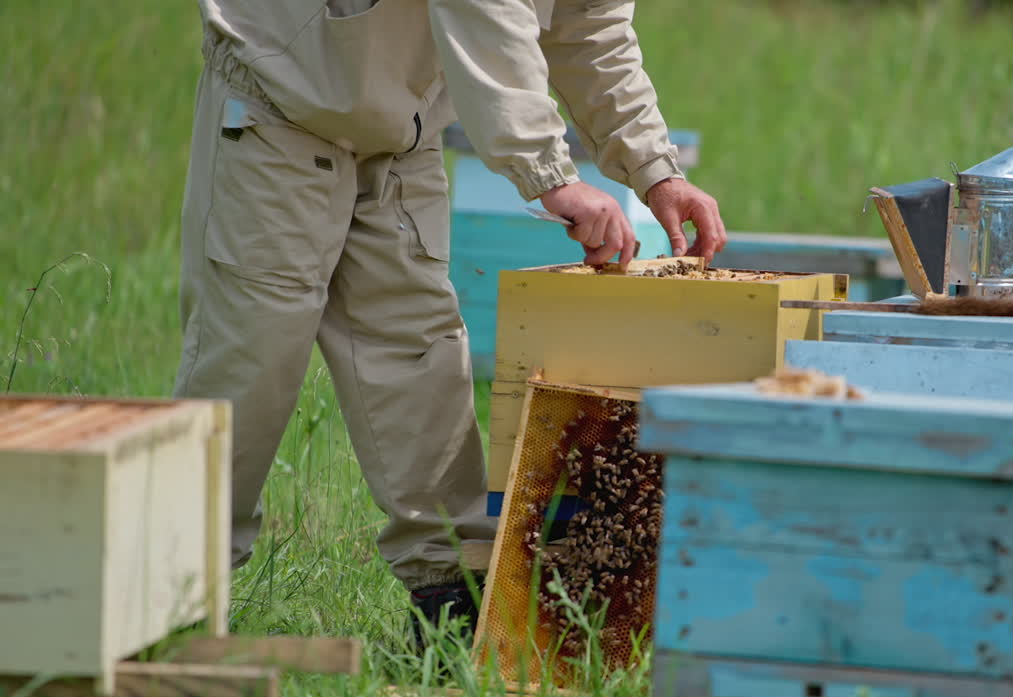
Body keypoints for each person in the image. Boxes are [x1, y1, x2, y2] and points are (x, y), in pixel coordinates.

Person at [173, 0, 728, 647]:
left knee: (421, 353)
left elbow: (590, 26)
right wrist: (550, 176)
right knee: (253, 354)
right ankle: (164, 590)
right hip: (280, 97)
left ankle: (450, 600)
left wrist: (655, 169)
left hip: (399, 130)